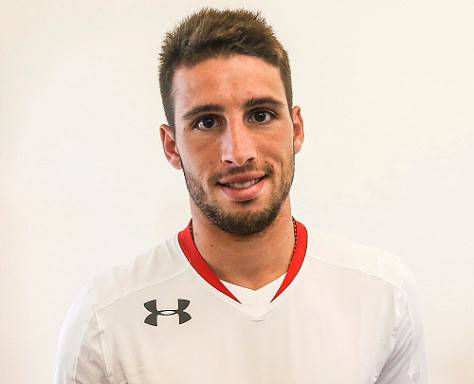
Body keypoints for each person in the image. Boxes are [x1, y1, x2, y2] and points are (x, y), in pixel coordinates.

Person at [54, 7, 427, 383]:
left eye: (261, 115)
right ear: (172, 146)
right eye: (206, 122)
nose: (238, 151)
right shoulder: (106, 318)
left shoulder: (382, 294)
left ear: (296, 129)